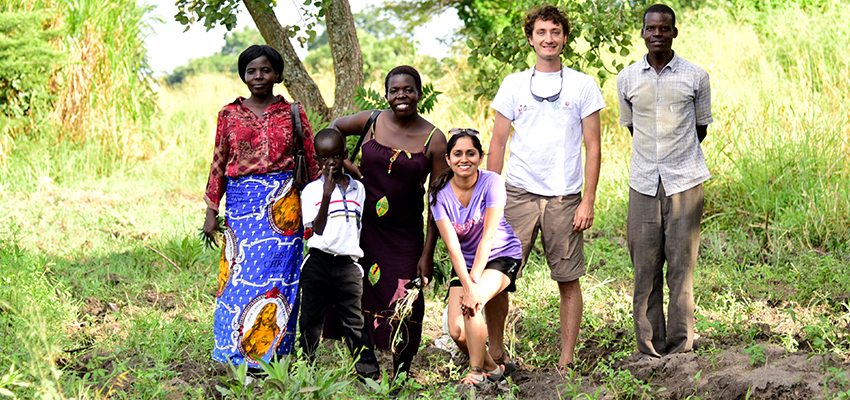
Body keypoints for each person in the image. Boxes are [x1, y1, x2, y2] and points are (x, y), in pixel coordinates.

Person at [487, 5, 605, 373]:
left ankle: (566, 360)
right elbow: (497, 144)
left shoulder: (583, 85)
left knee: (568, 279)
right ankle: (496, 352)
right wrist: (489, 198)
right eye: (541, 32)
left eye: (555, 32)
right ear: (530, 37)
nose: (548, 38)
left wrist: (587, 200)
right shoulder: (514, 84)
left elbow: (594, 146)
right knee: (500, 274)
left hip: (564, 198)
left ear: (565, 37)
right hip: (518, 195)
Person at [203, 44, 320, 367]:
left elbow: (311, 163)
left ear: (277, 74)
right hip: (241, 208)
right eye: (251, 71)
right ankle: (232, 353)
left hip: (284, 209)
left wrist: (315, 214)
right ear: (243, 75)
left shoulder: (292, 113)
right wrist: (212, 210)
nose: (258, 76)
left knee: (279, 280)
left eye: (265, 70)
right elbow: (218, 162)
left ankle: (274, 355)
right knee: (236, 279)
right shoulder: (228, 114)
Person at [328, 65, 448, 378]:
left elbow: (436, 201)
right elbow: (333, 129)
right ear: (386, 94)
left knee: (407, 299)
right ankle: (366, 367)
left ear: (419, 94)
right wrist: (346, 164)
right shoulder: (372, 120)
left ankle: (401, 372)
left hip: (405, 234)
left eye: (408, 90)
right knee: (357, 293)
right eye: (394, 91)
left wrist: (427, 253)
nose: (401, 96)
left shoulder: (435, 139)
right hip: (363, 228)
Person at [617, 4, 712, 360]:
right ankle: (649, 347)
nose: (657, 34)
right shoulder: (627, 79)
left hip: (685, 182)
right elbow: (632, 128)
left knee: (681, 267)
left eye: (664, 28)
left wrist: (674, 157)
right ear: (642, 33)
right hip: (643, 183)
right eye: (651, 28)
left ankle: (681, 346)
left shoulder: (695, 77)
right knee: (644, 267)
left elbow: (700, 128)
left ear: (674, 31)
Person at [429, 129, 522, 387]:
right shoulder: (438, 195)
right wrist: (467, 284)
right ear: (448, 159)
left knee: (474, 303)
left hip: (501, 254)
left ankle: (478, 372)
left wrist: (473, 287)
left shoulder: (492, 182)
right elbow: (453, 249)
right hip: (465, 260)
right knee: (458, 332)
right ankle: (494, 369)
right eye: (457, 154)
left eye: (471, 153)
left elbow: (489, 237)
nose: (464, 159)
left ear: (480, 157)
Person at [298, 128, 381, 380]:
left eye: (336, 156)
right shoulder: (312, 191)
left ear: (345, 155)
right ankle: (306, 368)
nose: (331, 163)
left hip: (347, 265)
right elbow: (317, 229)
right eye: (324, 158)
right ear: (317, 160)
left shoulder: (359, 190)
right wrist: (326, 193)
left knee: (354, 320)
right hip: (318, 262)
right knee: (311, 319)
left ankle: (368, 372)